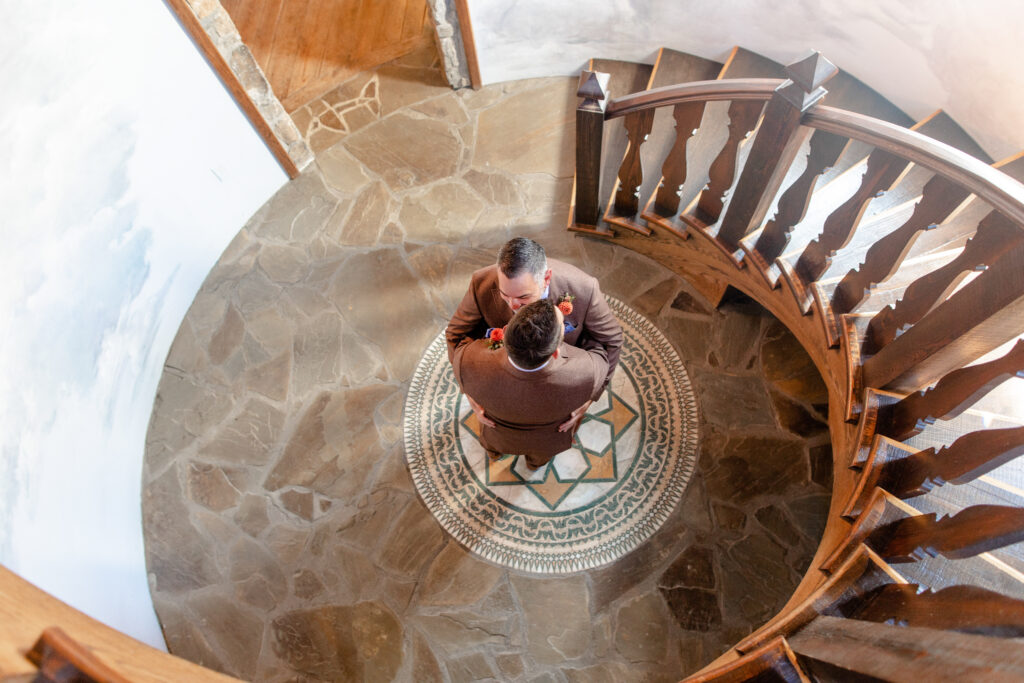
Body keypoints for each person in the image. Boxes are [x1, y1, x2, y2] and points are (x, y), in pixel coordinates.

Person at [446, 237, 622, 433]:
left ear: (546, 278)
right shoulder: (481, 282)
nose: (513, 306)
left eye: (523, 297)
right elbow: (456, 333)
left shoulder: (584, 289)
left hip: (559, 383)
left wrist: (591, 395)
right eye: (505, 295)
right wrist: (469, 390)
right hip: (503, 377)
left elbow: (612, 340)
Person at [451, 300, 609, 469]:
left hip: (498, 434)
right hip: (546, 441)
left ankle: (494, 454)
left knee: (493, 447)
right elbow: (601, 355)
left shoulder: (468, 360)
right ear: (556, 352)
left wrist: (471, 398)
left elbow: (460, 358)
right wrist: (586, 403)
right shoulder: (587, 371)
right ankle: (533, 466)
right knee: (538, 460)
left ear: (505, 331)